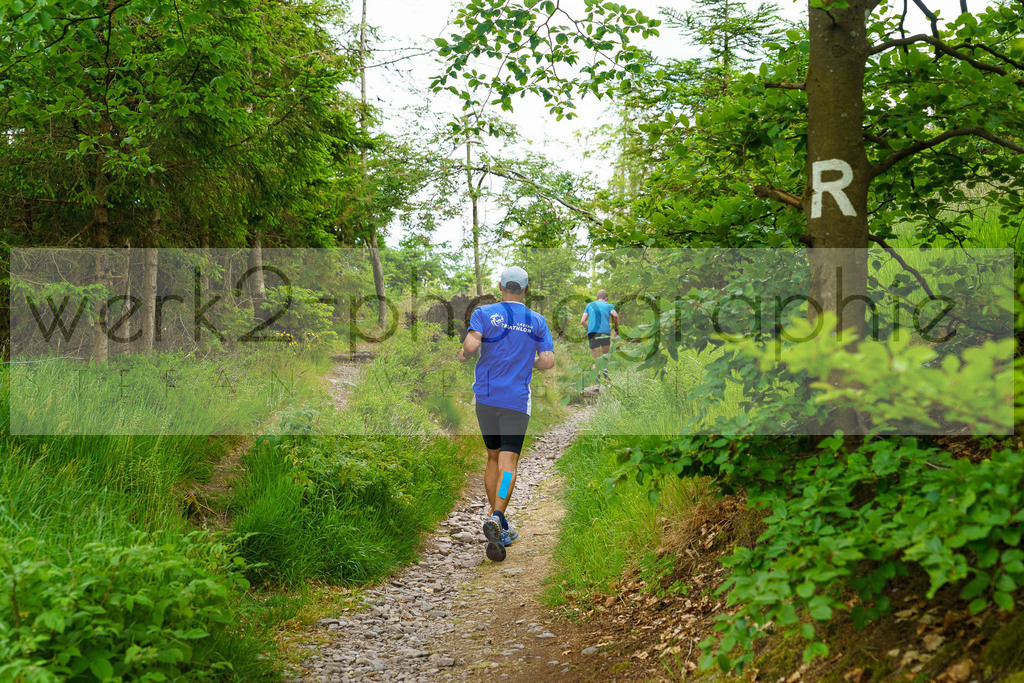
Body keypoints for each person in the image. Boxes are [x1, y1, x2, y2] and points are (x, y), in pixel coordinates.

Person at [458, 266, 555, 562]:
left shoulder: (484, 313)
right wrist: (528, 363)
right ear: (526, 289)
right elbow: (548, 361)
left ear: (500, 285)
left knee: (492, 456)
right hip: (516, 399)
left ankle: (496, 518)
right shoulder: (537, 321)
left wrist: (464, 354)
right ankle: (498, 516)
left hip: (486, 398)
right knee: (508, 462)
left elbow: (471, 346)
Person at [580, 289, 619, 376]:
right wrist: (616, 330)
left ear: (596, 298)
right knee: (605, 357)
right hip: (605, 332)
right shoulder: (609, 305)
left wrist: (589, 330)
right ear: (606, 298)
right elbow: (615, 316)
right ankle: (606, 381)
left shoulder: (589, 305)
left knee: (596, 360)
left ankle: (596, 385)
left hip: (593, 333)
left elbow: (582, 321)